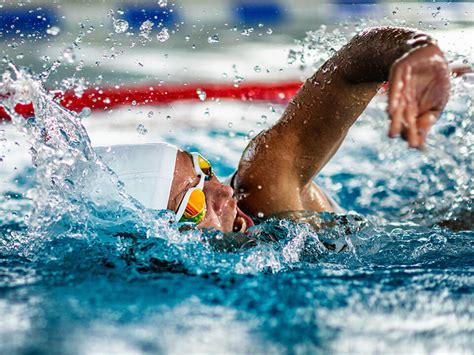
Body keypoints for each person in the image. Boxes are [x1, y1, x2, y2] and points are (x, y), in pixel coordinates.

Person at [96, 26, 451, 239]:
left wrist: (415, 49)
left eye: (203, 171)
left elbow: (349, 72)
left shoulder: (264, 190)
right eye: (194, 201)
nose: (224, 192)